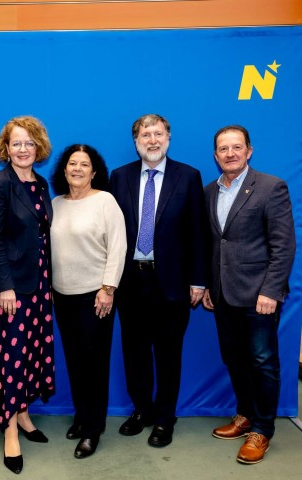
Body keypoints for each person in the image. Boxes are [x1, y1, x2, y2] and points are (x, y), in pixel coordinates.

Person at [109, 113, 207, 448]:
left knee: (168, 354)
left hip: (172, 283)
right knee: (134, 352)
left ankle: (165, 418)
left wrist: (198, 280)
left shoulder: (188, 176)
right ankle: (142, 410)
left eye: (158, 134)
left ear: (168, 138)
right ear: (136, 142)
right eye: (145, 135)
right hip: (130, 282)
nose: (152, 140)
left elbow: (197, 232)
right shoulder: (119, 177)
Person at [202, 124, 295, 465]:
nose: (230, 153)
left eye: (236, 147)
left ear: (249, 151)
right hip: (223, 294)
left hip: (259, 296)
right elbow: (213, 244)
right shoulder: (209, 192)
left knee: (263, 362)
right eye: (223, 149)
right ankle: (245, 415)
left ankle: (262, 429)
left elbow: (284, 245)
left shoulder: (271, 187)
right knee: (234, 358)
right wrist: (209, 285)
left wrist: (270, 290)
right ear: (216, 156)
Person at [0, 115, 55, 475]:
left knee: (31, 352)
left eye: (29, 142)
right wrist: (4, 286)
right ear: (6, 149)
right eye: (16, 143)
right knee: (11, 356)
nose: (23, 149)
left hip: (39, 283)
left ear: (38, 147)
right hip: (10, 288)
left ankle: (24, 413)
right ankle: (9, 429)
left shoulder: (41, 184)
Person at [49, 144, 126, 459]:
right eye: (72, 163)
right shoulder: (55, 204)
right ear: (64, 170)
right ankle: (82, 416)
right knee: (75, 361)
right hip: (62, 296)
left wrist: (108, 289)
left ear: (94, 172)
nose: (77, 169)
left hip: (95, 297)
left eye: (84, 164)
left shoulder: (105, 201)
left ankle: (93, 429)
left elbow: (118, 247)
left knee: (94, 365)